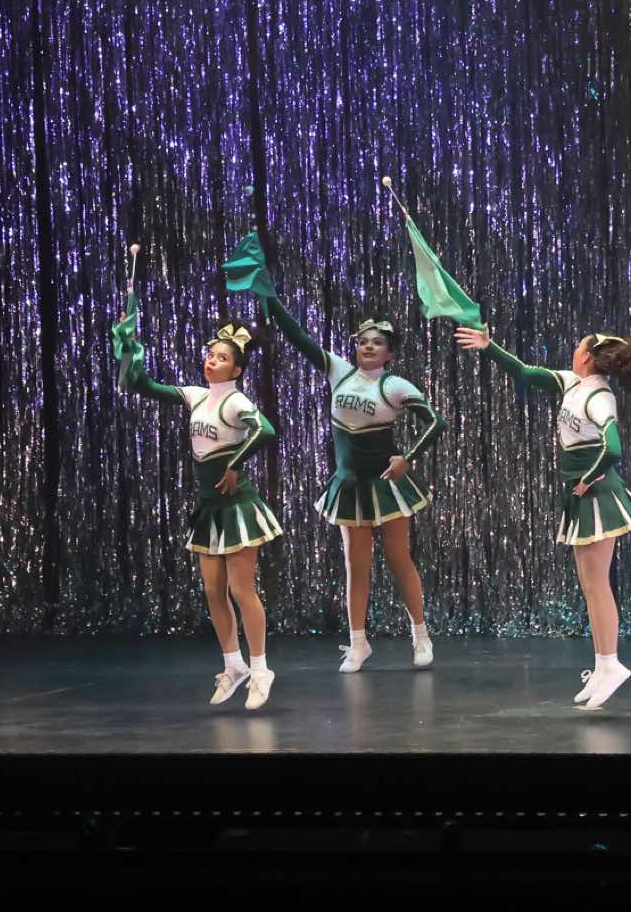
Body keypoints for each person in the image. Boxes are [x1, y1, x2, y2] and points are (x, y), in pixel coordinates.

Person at [455, 322, 631, 709]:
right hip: (582, 496)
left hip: (598, 497)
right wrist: (488, 346)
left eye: (578, 346)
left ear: (587, 356)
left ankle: (612, 663)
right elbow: (525, 372)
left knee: (598, 585)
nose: (573, 351)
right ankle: (602, 665)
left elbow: (613, 448)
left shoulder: (599, 396)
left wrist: (587, 479)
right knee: (590, 586)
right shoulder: (572, 383)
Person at [111, 307, 281, 710]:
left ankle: (260, 669)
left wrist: (235, 464)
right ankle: (233, 665)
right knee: (212, 590)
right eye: (210, 355)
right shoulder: (196, 396)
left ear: (236, 369)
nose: (211, 361)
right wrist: (129, 345)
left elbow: (266, 430)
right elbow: (143, 384)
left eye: (221, 358)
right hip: (208, 509)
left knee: (241, 589)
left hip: (237, 508)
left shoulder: (236, 401)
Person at [261, 299, 443, 672]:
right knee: (355, 565)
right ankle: (358, 643)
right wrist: (270, 299)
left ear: (390, 352)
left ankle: (420, 634)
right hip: (349, 485)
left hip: (385, 485)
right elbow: (298, 336)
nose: (369, 346)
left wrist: (407, 457)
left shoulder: (394, 385)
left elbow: (435, 422)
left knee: (399, 559)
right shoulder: (339, 372)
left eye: (378, 342)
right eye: (363, 341)